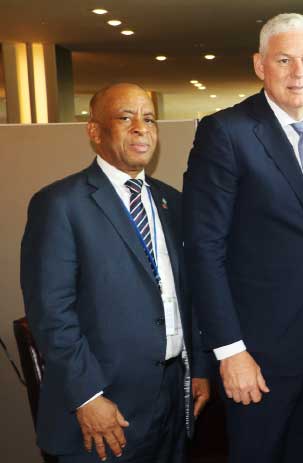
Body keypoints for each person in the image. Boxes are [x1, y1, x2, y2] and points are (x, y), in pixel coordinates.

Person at [182, 12, 303, 463]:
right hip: (257, 345)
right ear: (259, 65)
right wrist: (230, 351)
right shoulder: (226, 132)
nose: (298, 72)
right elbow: (204, 249)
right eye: (284, 60)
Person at [20, 83, 211, 463]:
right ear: (94, 131)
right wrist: (87, 397)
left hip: (173, 399)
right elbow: (52, 315)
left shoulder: (171, 201)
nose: (141, 128)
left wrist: (198, 368)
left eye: (149, 118)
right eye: (125, 118)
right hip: (104, 410)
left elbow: (188, 295)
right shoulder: (59, 205)